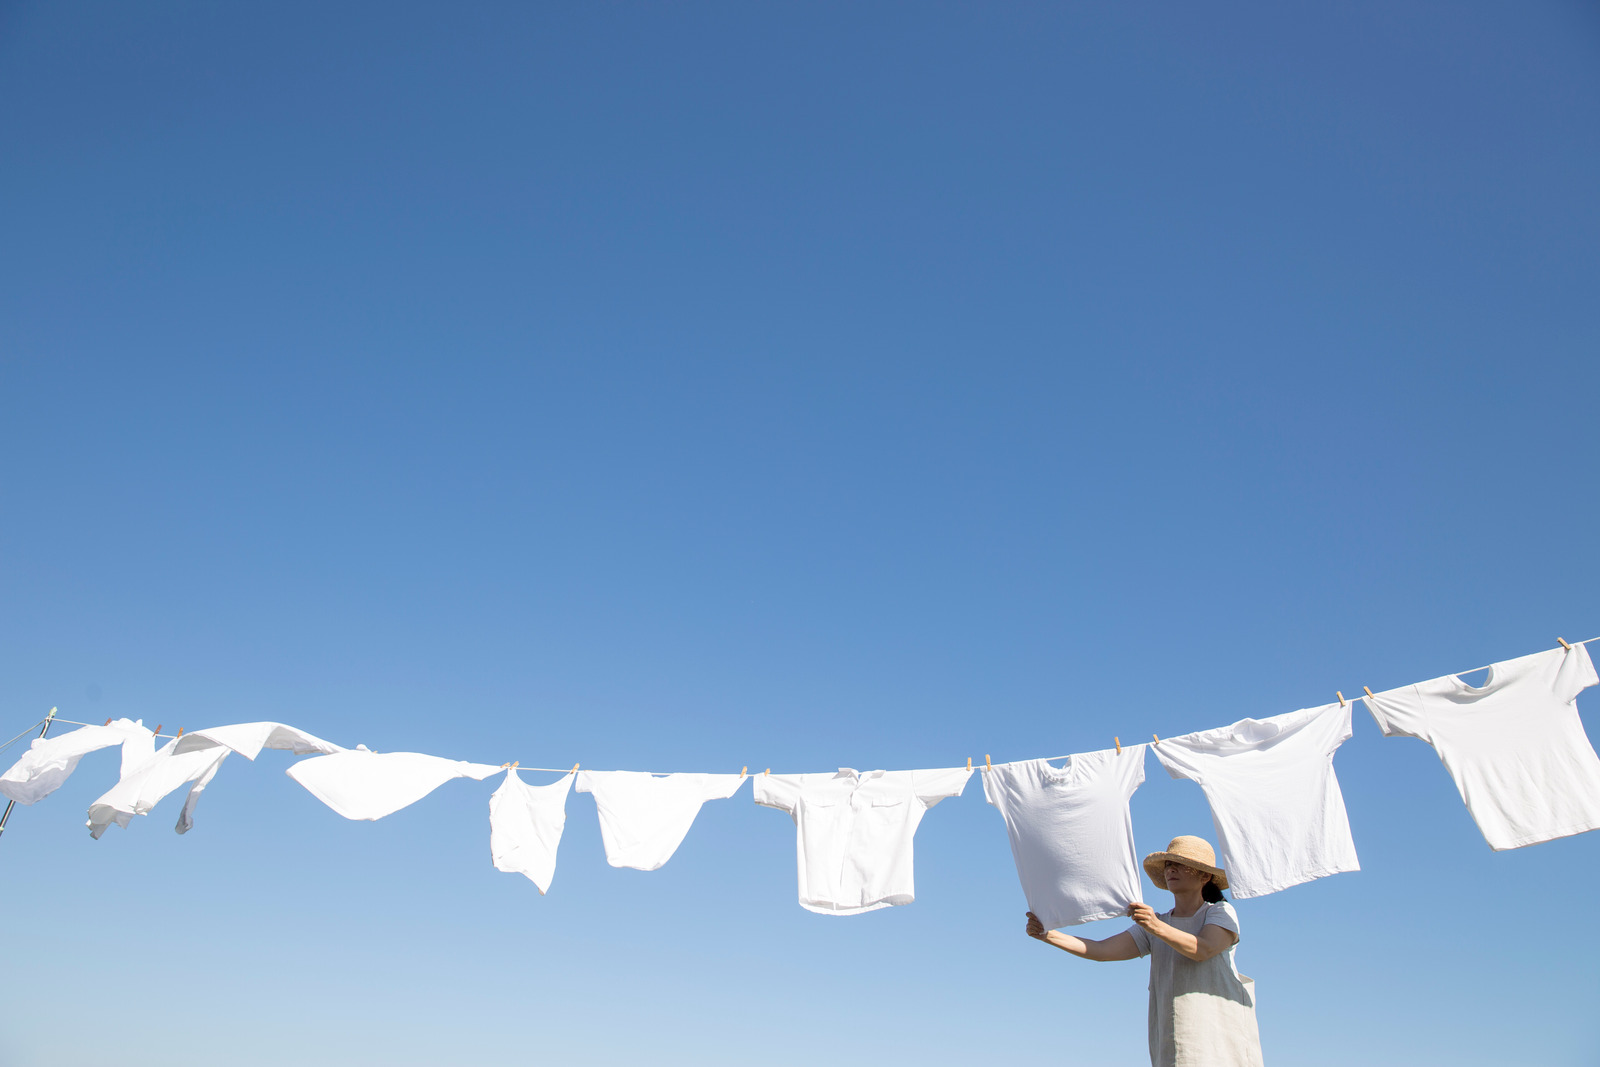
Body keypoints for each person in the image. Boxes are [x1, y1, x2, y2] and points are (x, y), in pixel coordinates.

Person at [1024, 835, 1264, 1067]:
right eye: (1169, 864)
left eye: (1181, 864)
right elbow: (1101, 950)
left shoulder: (1219, 912)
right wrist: (1048, 934)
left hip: (1218, 1035)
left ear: (1204, 876)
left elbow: (1203, 949)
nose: (1171, 869)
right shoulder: (1155, 924)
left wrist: (1155, 925)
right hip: (1172, 1037)